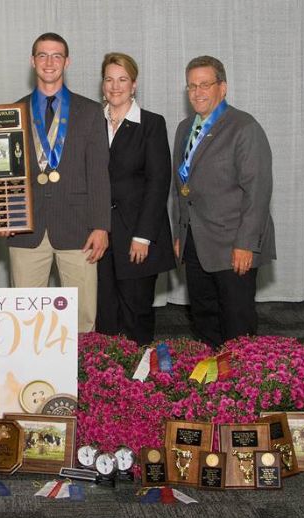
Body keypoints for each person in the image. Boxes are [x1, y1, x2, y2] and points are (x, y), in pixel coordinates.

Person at [7, 33, 111, 333]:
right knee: (24, 320)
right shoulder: (13, 111)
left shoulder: (91, 112)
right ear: (32, 61)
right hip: (25, 229)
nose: (49, 62)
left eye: (56, 56)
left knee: (82, 318)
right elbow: (7, 175)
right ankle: (27, 375)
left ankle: (85, 378)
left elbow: (99, 173)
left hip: (80, 229)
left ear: (67, 62)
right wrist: (5, 215)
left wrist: (101, 226)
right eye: (42, 55)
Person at [172, 55, 276, 347]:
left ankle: (242, 388)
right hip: (195, 243)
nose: (197, 92)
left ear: (223, 87)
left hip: (233, 245)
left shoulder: (244, 127)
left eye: (205, 84)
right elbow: (180, 188)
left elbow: (258, 192)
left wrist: (246, 243)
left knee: (236, 323)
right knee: (204, 318)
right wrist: (180, 233)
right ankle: (211, 384)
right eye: (191, 86)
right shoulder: (184, 128)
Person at [96, 53, 175, 345]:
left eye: (122, 79)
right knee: (104, 313)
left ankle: (137, 385)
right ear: (102, 83)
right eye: (109, 79)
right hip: (100, 234)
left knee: (136, 312)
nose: (115, 86)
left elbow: (158, 183)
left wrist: (143, 236)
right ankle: (107, 380)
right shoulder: (91, 121)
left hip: (137, 236)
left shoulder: (151, 124)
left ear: (134, 84)